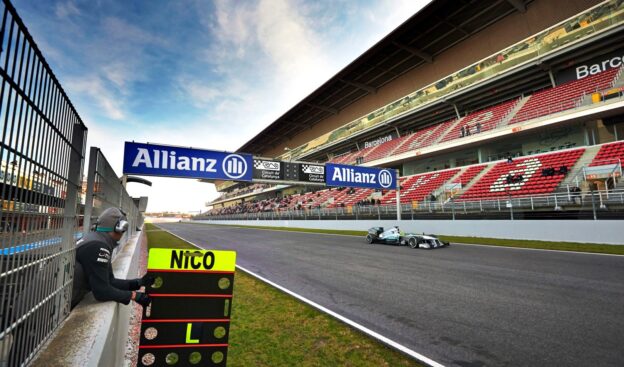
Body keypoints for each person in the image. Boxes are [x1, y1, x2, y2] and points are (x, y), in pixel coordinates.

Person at [71, 207, 153, 309]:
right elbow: (102, 291)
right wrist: (135, 296)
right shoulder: (98, 246)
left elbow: (109, 281)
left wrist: (138, 283)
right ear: (119, 227)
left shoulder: (96, 239)